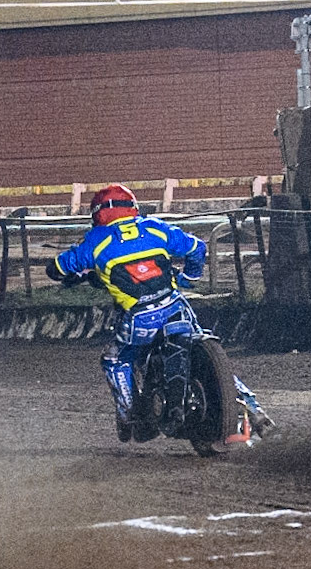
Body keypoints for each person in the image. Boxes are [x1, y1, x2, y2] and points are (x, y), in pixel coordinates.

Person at [47, 184, 273, 443]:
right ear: (132, 207)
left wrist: (72, 272)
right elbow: (197, 248)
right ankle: (256, 412)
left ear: (98, 214)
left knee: (114, 360)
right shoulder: (155, 227)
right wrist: (188, 277)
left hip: (139, 319)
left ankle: (130, 415)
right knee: (198, 351)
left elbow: (57, 268)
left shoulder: (96, 242)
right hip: (177, 307)